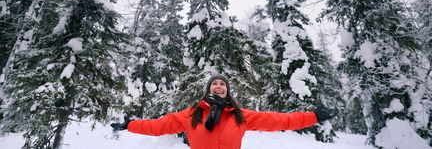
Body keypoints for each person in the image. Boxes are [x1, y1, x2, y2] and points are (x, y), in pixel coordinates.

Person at [110, 75, 338, 149]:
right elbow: (158, 126)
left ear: (227, 91)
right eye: (214, 84)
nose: (219, 86)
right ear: (208, 89)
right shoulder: (192, 113)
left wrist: (313, 116)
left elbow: (280, 120)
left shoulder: (239, 115)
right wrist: (130, 124)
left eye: (223, 84)